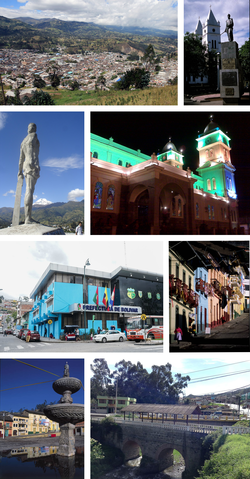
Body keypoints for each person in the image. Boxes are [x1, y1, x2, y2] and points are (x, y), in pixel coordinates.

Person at [18, 123, 40, 224]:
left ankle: (28, 217)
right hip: (32, 166)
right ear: (34, 128)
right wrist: (35, 166)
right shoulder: (34, 136)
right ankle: (28, 218)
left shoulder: (23, 142)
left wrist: (19, 172)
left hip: (25, 167)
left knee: (29, 190)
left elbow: (21, 159)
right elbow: (33, 154)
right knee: (29, 190)